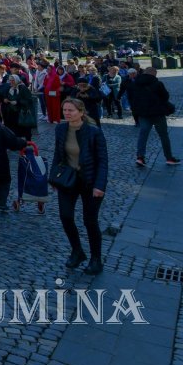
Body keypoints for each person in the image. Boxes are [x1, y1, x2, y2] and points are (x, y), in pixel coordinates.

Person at [51, 98, 109, 275]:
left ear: (81, 112)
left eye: (71, 110)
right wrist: (54, 178)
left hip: (90, 182)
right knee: (65, 216)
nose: (67, 113)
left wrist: (99, 186)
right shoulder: (61, 129)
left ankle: (96, 259)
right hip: (68, 180)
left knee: (90, 221)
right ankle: (77, 251)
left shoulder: (93, 132)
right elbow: (57, 155)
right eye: (65, 110)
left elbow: (103, 161)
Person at [127, 66, 181, 168]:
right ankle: (169, 158)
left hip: (143, 114)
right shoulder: (158, 84)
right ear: (154, 73)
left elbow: (132, 99)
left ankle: (140, 157)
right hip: (157, 113)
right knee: (163, 136)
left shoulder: (135, 84)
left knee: (143, 135)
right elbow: (165, 97)